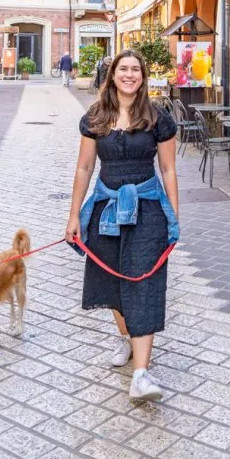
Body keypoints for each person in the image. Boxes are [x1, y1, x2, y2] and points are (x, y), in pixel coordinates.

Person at [66, 49, 179, 403]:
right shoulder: (95, 117)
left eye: (135, 70)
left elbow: (169, 170)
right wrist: (73, 215)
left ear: (143, 77)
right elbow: (84, 169)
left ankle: (142, 374)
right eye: (123, 69)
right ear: (112, 75)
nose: (129, 75)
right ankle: (126, 338)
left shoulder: (158, 118)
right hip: (106, 210)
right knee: (114, 280)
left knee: (144, 282)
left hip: (147, 210)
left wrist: (173, 217)